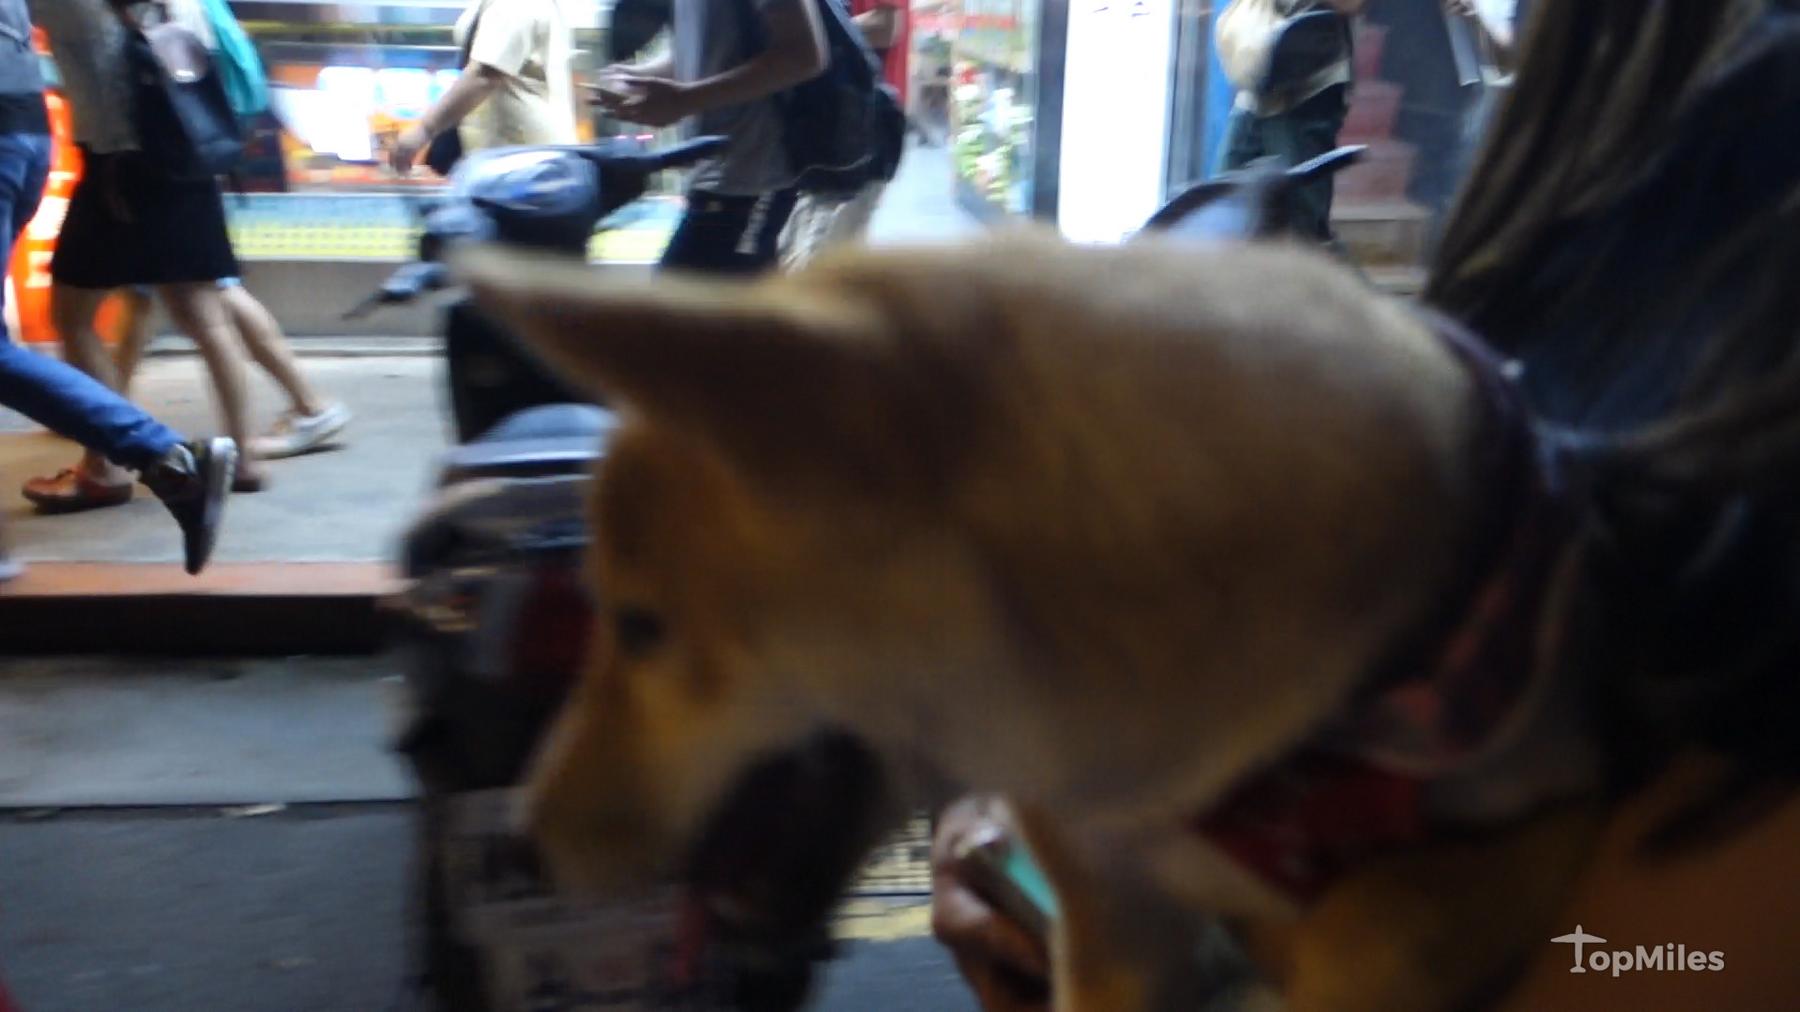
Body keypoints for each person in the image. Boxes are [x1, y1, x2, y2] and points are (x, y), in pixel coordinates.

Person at [22, 0, 331, 507]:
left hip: (118, 170)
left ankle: (104, 465)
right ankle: (242, 458)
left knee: (72, 316)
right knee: (206, 315)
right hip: (190, 158)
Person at [0, 0, 236, 579]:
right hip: (36, 129)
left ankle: (158, 456)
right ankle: (164, 457)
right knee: (195, 304)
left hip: (112, 156)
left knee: (178, 307)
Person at [594, 0, 829, 274]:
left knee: (678, 306)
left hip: (754, 173)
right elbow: (710, 51)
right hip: (717, 174)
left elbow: (803, 55)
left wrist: (685, 100)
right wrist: (635, 78)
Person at [1214, 0, 1369, 243]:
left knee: (1302, 221)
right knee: (1220, 203)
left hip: (1308, 89)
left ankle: (1321, 277)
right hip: (1257, 84)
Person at [777, 0, 908, 270]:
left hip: (857, 134)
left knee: (826, 265)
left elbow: (887, 26)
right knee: (799, 258)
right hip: (823, 136)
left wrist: (806, 28)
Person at [388, 0, 579, 172]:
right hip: (509, 153)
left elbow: (485, 75)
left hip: (526, 158)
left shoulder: (517, 4)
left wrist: (424, 129)